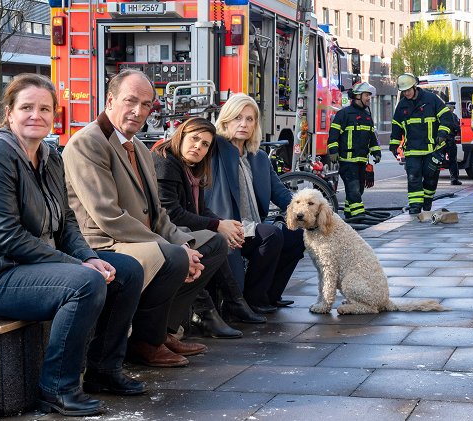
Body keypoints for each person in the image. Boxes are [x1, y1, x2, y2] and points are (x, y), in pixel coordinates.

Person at [0, 74, 145, 417]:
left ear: (54, 114)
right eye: (26, 107)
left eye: (45, 108)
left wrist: (86, 255)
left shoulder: (50, 155)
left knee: (127, 270)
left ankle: (103, 370)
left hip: (34, 268)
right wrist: (79, 267)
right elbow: (7, 238)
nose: (35, 115)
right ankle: (57, 388)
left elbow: (67, 221)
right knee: (85, 283)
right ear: (9, 113)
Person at [62, 69, 229, 367]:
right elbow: (109, 216)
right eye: (130, 101)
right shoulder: (87, 143)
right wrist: (175, 249)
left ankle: (162, 331)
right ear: (110, 100)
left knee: (214, 243)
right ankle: (144, 342)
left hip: (141, 238)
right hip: (105, 243)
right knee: (176, 257)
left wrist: (184, 242)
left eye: (147, 104)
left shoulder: (138, 146)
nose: (138, 111)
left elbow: (158, 213)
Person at [152, 117, 267, 337]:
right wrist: (217, 225)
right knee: (213, 241)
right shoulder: (166, 162)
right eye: (194, 139)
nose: (198, 146)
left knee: (218, 239)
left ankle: (228, 304)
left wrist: (226, 225)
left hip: (180, 231)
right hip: (161, 233)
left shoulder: (191, 167)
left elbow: (200, 209)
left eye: (205, 144)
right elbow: (171, 213)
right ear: (181, 135)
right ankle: (208, 312)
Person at [204, 93, 305, 313]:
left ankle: (268, 295)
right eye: (238, 118)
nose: (244, 124)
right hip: (227, 226)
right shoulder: (214, 151)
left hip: (253, 226)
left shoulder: (258, 157)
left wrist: (306, 214)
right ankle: (253, 299)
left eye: (250, 119)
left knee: (297, 235)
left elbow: (281, 193)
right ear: (226, 120)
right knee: (271, 234)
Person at [389, 73, 452, 215]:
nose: (406, 93)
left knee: (431, 177)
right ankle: (415, 206)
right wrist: (394, 144)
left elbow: (446, 118)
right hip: (412, 150)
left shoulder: (431, 99)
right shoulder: (402, 106)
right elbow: (396, 126)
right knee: (413, 178)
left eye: (408, 90)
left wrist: (442, 134)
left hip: (431, 148)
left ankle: (427, 201)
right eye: (403, 91)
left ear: (414, 87)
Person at [327, 82, 381, 219]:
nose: (369, 98)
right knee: (354, 189)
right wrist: (333, 150)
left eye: (369, 95)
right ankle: (359, 216)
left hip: (362, 161)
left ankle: (349, 213)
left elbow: (372, 137)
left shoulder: (367, 117)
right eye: (366, 95)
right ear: (357, 96)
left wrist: (376, 152)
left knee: (359, 189)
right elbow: (333, 134)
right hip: (347, 161)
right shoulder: (343, 114)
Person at [444, 102, 462, 185]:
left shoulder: (440, 115)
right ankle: (454, 179)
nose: (453, 110)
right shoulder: (453, 116)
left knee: (437, 160)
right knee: (452, 161)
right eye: (452, 108)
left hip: (441, 141)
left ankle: (431, 178)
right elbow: (457, 127)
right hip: (450, 140)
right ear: (450, 108)